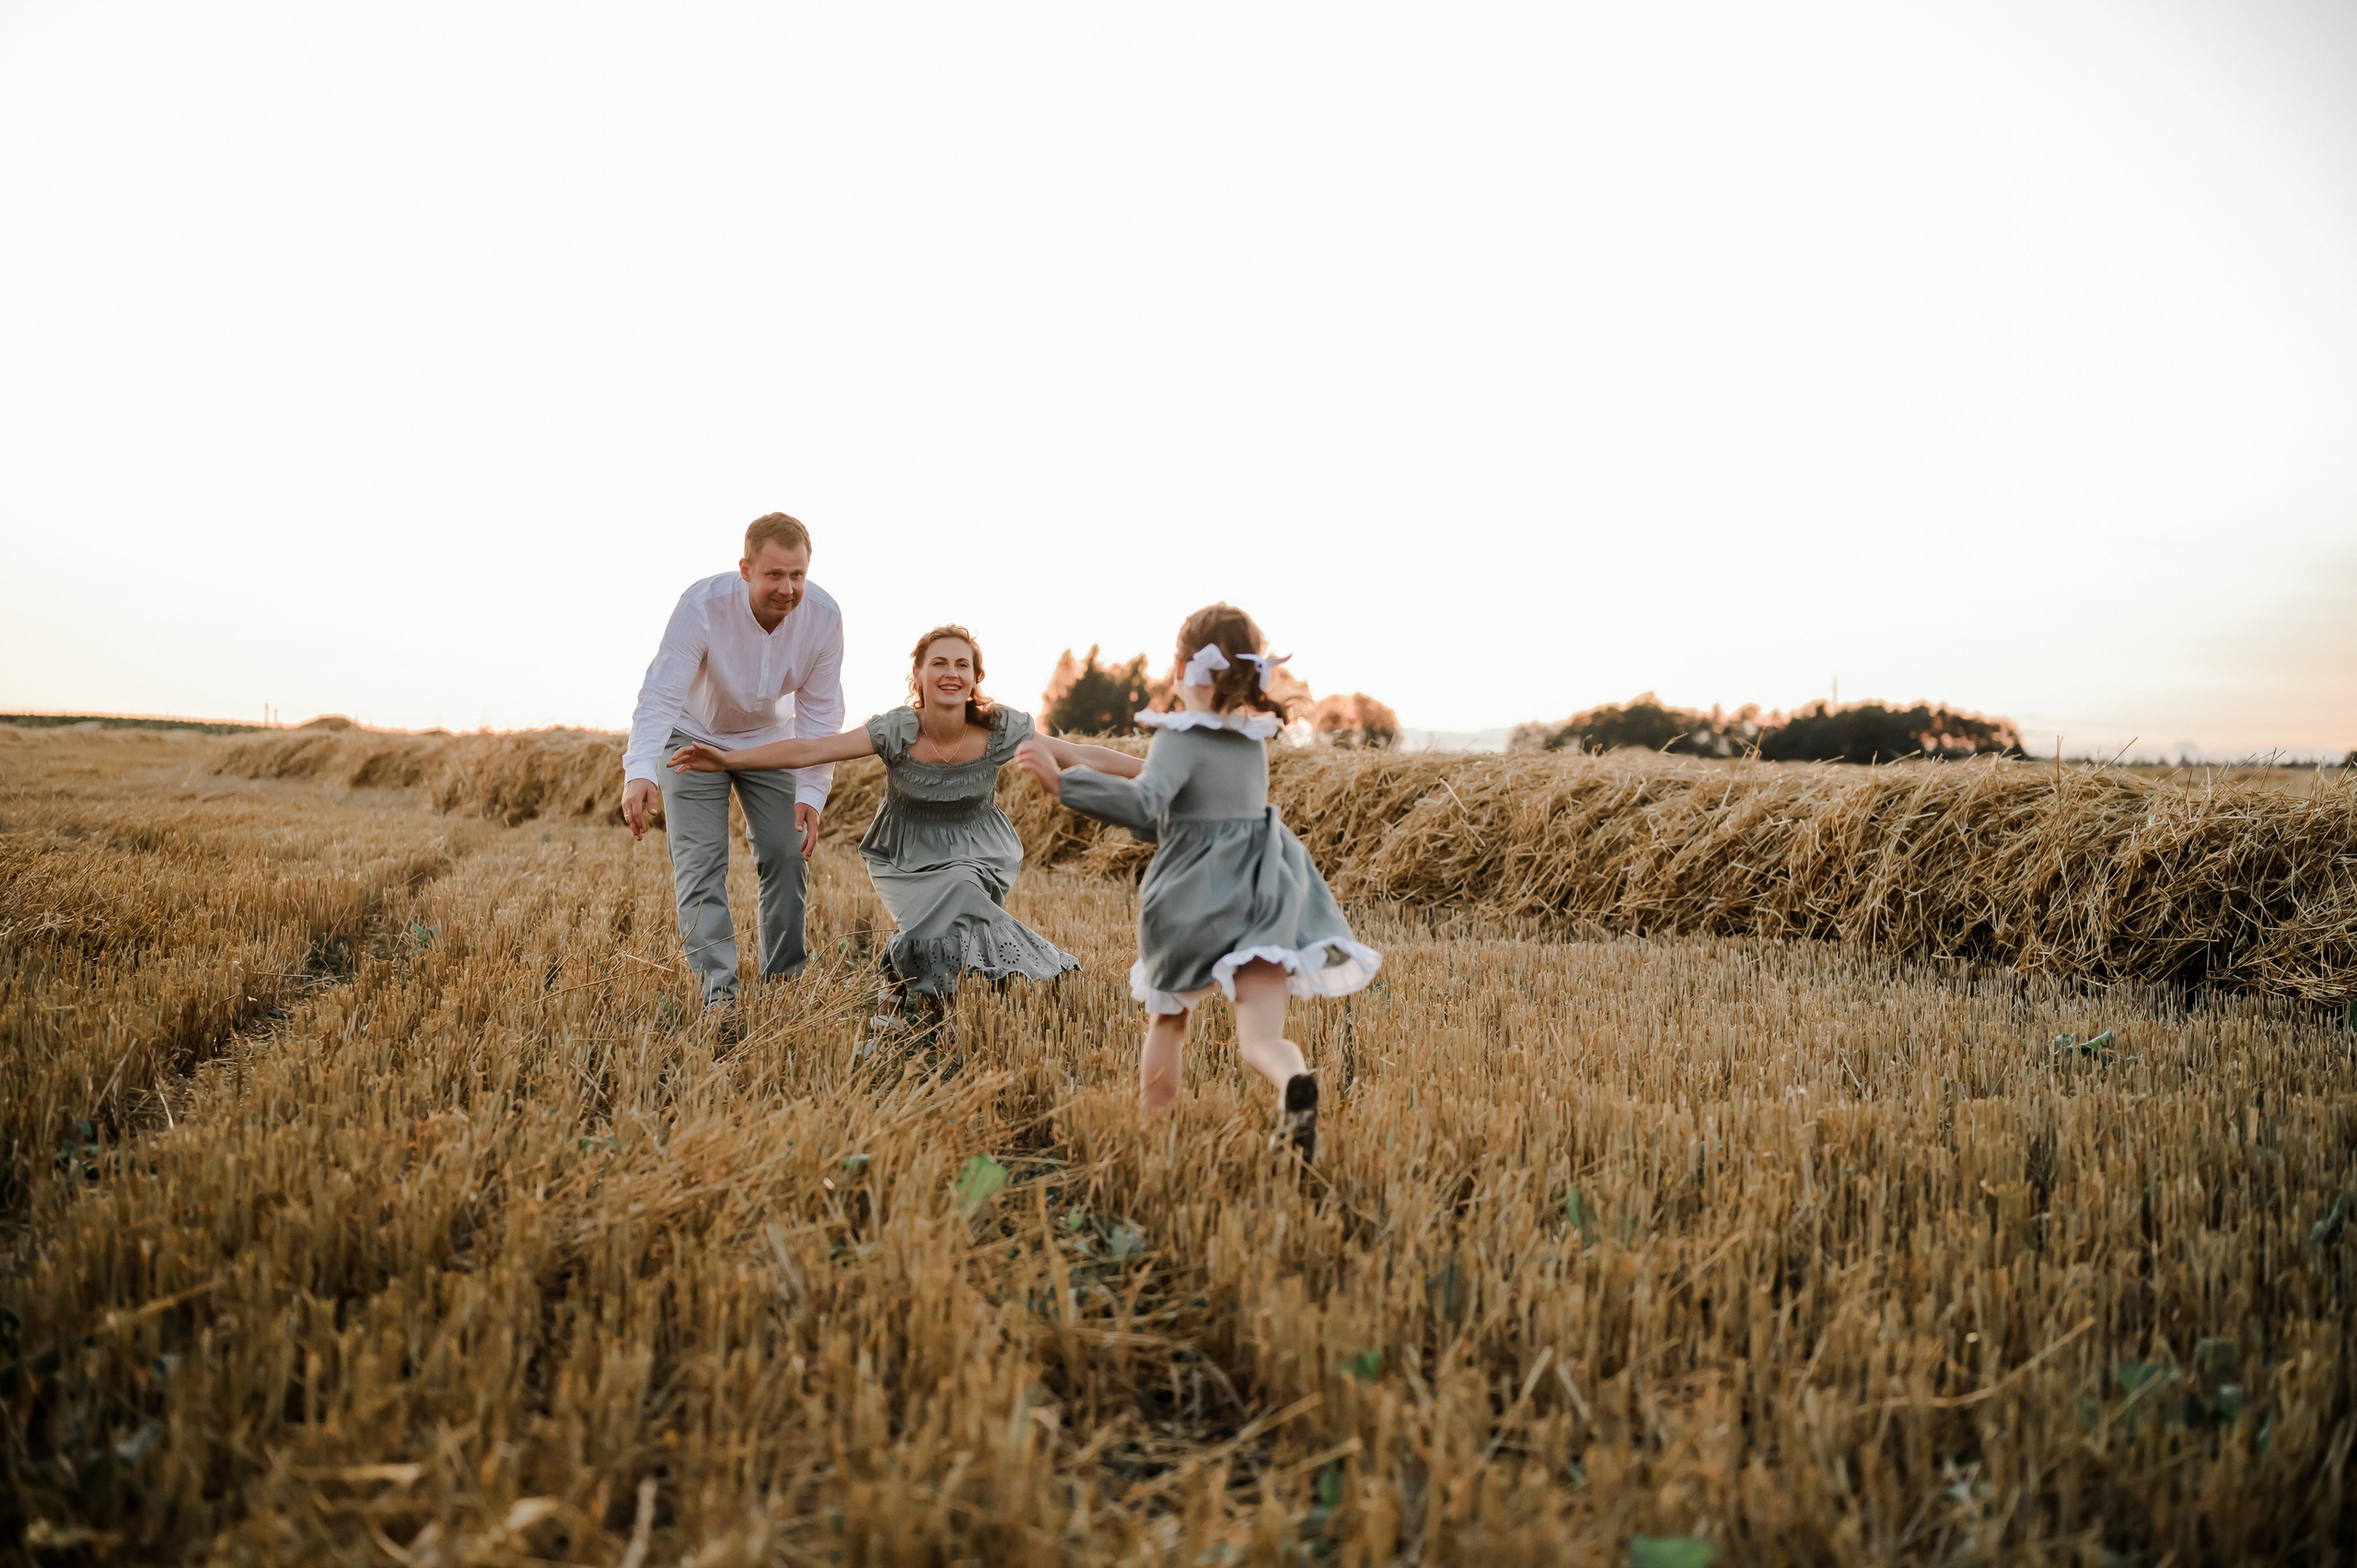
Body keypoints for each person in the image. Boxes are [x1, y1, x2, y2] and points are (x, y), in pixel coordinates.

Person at [1013, 602, 1379, 1164]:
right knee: (1260, 1038)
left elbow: (1147, 804)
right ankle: (1292, 1079)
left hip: (1195, 894)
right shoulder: (1250, 737)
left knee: (1168, 1015)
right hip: (1264, 890)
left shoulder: (1179, 739)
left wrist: (1066, 785)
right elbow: (1183, 814)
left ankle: (1154, 1135)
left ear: (1182, 668)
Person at [669, 624, 1085, 1032]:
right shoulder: (897, 730)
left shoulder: (999, 730)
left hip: (977, 847)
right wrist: (728, 760)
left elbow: (1076, 755)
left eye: (962, 664)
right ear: (918, 675)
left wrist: (1149, 770)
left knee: (961, 895)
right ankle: (914, 986)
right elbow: (811, 748)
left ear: (975, 677)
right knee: (948, 915)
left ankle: (905, 979)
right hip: (903, 852)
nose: (950, 673)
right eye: (938, 663)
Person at [622, 512, 844, 1012]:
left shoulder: (825, 619)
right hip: (691, 735)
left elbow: (822, 712)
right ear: (745, 569)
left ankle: (784, 983)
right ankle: (717, 994)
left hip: (769, 742)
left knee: (788, 852)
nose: (787, 588)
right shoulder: (702, 606)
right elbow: (660, 692)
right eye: (774, 575)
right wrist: (639, 770)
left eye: (798, 575)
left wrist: (811, 792)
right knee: (701, 865)